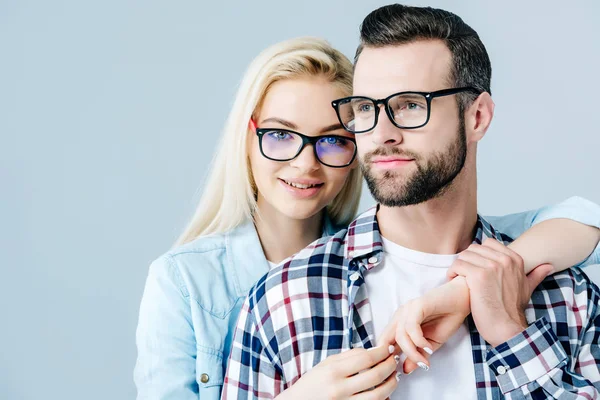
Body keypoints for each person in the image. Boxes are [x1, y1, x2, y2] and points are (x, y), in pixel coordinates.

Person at [135, 37, 600, 400]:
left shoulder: (486, 258)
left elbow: (582, 218)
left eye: (334, 140)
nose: (304, 164)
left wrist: (463, 295)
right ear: (248, 134)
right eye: (280, 135)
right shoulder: (210, 287)